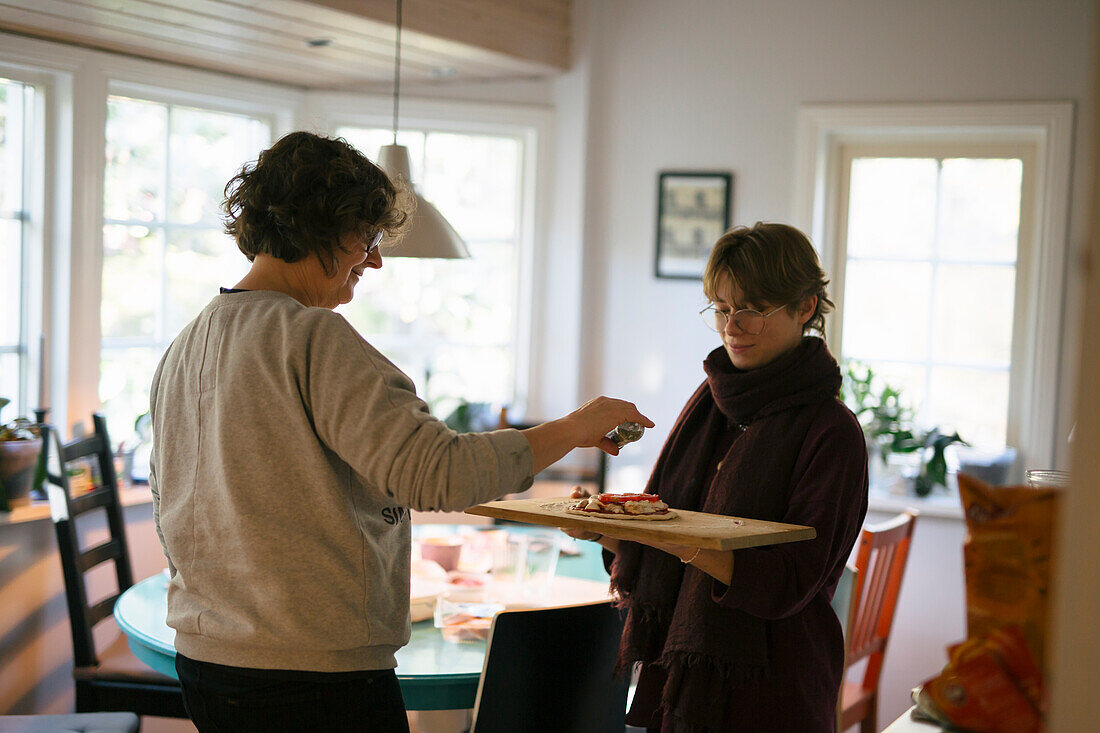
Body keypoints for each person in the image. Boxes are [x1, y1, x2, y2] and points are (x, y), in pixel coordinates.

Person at [148, 131, 652, 733]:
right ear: (321, 227)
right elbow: (441, 474)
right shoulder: (312, 339)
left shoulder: (187, 343)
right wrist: (575, 427)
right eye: (367, 236)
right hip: (315, 679)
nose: (376, 258)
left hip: (209, 664)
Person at [567, 222, 868, 732]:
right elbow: (659, 535)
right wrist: (602, 527)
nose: (733, 326)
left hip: (772, 694)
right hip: (681, 683)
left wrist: (684, 540)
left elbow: (788, 579)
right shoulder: (709, 403)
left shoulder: (832, 432)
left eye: (752, 309)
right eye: (723, 309)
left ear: (805, 308)